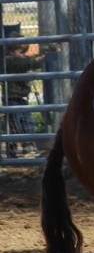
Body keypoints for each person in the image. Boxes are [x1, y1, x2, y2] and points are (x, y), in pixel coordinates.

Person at [2, 25, 44, 156]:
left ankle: (28, 145)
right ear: (13, 50)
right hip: (12, 97)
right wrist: (38, 59)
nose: (22, 55)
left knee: (27, 122)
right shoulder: (8, 60)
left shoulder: (19, 60)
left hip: (21, 97)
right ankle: (12, 148)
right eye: (20, 52)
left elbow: (26, 62)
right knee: (14, 125)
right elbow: (24, 63)